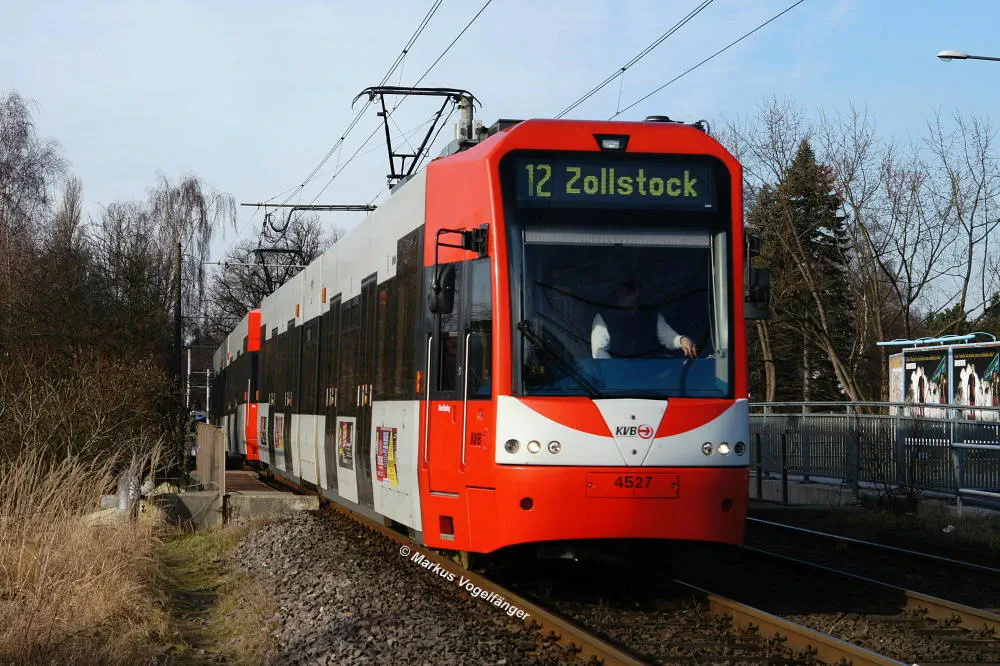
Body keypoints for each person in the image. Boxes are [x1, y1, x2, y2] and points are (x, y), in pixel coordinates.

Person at [591, 277, 697, 359]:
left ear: (639, 291)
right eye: (626, 286)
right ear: (618, 290)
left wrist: (681, 340)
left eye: (632, 286)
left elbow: (668, 336)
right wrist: (614, 372)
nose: (629, 290)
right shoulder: (603, 317)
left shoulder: (651, 314)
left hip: (649, 372)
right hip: (618, 376)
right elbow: (599, 352)